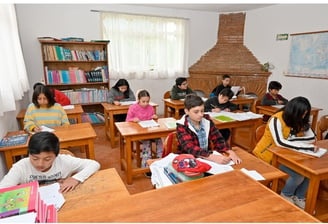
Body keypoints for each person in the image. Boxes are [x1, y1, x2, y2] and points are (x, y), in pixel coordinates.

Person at [252, 96, 318, 209]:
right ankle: (286, 194)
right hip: (268, 155)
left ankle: (299, 196)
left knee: (309, 174)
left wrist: (292, 141)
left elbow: (312, 137)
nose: (303, 117)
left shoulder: (299, 119)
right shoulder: (277, 119)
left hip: (289, 155)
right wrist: (306, 146)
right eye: (301, 114)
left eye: (305, 114)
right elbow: (280, 142)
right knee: (298, 176)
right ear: (294, 111)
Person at [0, 132, 100, 193]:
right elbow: (2, 190)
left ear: (56, 156)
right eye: (35, 158)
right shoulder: (21, 166)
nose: (40, 164)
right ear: (29, 153)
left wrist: (75, 178)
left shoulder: (64, 161)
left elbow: (94, 164)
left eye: (47, 159)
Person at [176, 94, 242, 165]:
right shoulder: (182, 126)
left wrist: (230, 151)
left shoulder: (206, 120)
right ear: (186, 111)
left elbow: (218, 138)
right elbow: (190, 148)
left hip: (206, 158)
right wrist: (212, 157)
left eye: (202, 111)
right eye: (196, 112)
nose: (201, 114)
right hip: (188, 160)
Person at [126, 90, 163, 176]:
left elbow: (151, 117)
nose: (146, 103)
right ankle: (146, 167)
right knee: (146, 144)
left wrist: (154, 117)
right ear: (138, 100)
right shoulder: (133, 107)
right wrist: (133, 120)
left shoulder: (150, 107)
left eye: (147, 101)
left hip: (150, 131)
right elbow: (127, 120)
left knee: (159, 141)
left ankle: (159, 161)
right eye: (143, 101)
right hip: (140, 133)